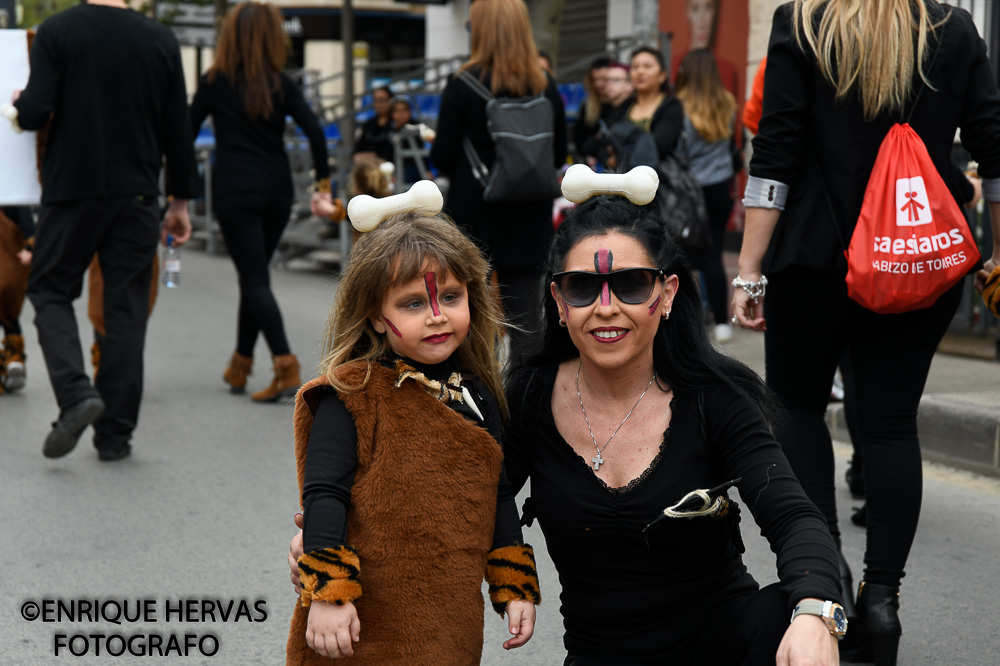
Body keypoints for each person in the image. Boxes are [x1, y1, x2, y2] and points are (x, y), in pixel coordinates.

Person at [289, 169, 847, 665]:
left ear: (668, 291)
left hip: (722, 645)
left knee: (787, 616)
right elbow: (461, 498)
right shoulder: (527, 398)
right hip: (601, 655)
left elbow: (795, 517)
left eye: (630, 283)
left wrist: (817, 612)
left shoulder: (715, 398)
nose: (606, 306)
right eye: (583, 287)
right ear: (558, 301)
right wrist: (336, 549)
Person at [733, 2, 1000, 664]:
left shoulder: (805, 23)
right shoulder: (955, 29)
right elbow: (994, 150)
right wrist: (997, 254)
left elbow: (777, 150)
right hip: (916, 259)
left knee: (795, 405)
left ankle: (830, 583)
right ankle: (884, 600)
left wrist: (748, 269)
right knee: (888, 427)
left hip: (813, 262)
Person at [285, 191, 539, 664]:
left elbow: (497, 493)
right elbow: (324, 497)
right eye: (413, 303)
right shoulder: (352, 394)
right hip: (361, 621)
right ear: (375, 317)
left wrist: (512, 581)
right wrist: (328, 596)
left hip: (449, 621)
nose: (437, 315)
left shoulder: (479, 395)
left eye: (450, 296)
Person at [11, 0, 195, 461]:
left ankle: (75, 394)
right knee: (125, 310)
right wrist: (180, 201)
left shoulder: (58, 31)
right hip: (136, 196)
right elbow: (178, 128)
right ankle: (114, 435)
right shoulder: (160, 40)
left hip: (71, 190)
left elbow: (35, 111)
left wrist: (20, 103)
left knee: (50, 290)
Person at [190, 2, 330, 402]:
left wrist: (180, 189)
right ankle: (239, 364)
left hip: (236, 190)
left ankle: (286, 366)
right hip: (277, 192)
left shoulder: (215, 81)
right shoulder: (281, 84)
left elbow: (185, 131)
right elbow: (316, 133)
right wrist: (322, 184)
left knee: (254, 279)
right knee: (255, 277)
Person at [430, 0, 567, 356]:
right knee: (526, 317)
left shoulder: (462, 84)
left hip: (475, 209)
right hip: (529, 209)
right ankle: (528, 401)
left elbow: (442, 155)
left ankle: (479, 399)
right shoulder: (545, 84)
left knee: (472, 311)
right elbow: (557, 153)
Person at [674, 49, 737, 342]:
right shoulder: (726, 103)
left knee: (686, 257)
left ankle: (691, 322)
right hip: (720, 188)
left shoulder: (680, 106)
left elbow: (680, 155)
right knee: (715, 255)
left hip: (691, 192)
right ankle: (723, 323)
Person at [608, 47, 684, 164]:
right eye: (635, 67)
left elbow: (660, 147)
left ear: (662, 75)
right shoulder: (625, 105)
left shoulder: (671, 106)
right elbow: (608, 144)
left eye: (647, 66)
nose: (640, 71)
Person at [0, 206, 33, 393]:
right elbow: (29, 226)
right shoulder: (14, 195)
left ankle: (11, 362)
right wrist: (30, 247)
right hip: (10, 268)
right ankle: (14, 359)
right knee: (8, 313)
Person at [573, 56, 611, 165]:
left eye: (604, 79)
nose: (599, 84)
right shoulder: (587, 106)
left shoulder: (621, 105)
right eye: (595, 80)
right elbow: (579, 140)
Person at [353, 85, 393, 165]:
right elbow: (357, 152)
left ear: (391, 100)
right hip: (369, 168)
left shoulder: (397, 123)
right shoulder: (369, 125)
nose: (381, 104)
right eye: (377, 100)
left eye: (383, 100)